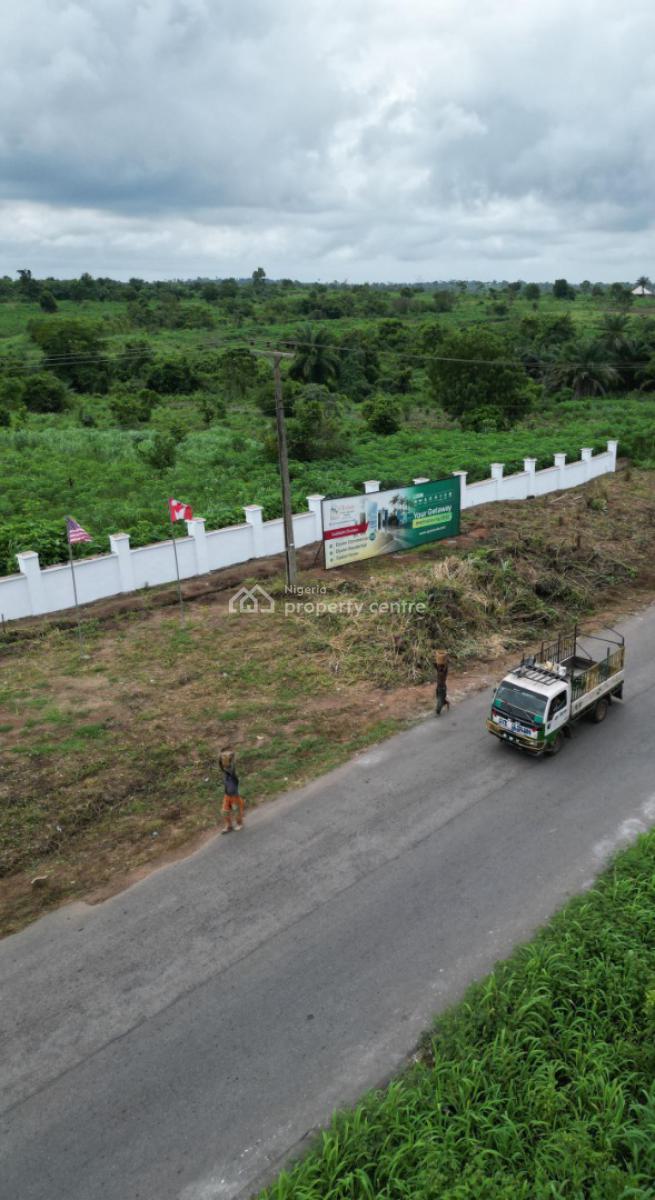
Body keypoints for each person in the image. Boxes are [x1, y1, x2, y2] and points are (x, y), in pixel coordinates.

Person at [219, 747, 244, 833]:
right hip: (227, 795)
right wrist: (220, 757)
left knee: (236, 810)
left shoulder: (232, 772)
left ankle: (239, 823)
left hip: (234, 796)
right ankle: (229, 826)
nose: (224, 763)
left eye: (225, 759)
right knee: (224, 811)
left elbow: (231, 767)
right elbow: (222, 766)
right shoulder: (225, 771)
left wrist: (231, 757)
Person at [435, 649, 450, 716]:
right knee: (439, 698)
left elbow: (445, 666)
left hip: (442, 687)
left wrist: (446, 661)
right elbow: (436, 665)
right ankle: (446, 703)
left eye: (441, 667)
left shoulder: (444, 671)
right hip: (438, 687)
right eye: (439, 667)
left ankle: (438, 710)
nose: (440, 668)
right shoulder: (439, 670)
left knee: (440, 699)